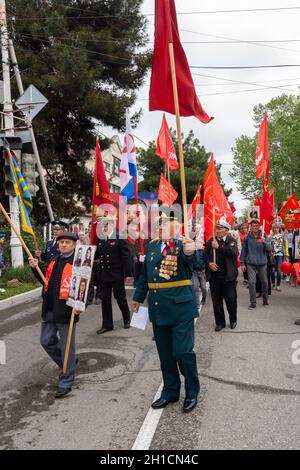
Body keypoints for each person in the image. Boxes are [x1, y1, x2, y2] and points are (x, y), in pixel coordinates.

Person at [132, 206, 200, 414]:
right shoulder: (152, 247)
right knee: (166, 355)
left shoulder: (184, 245)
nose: (160, 228)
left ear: (176, 226)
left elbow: (194, 262)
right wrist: (137, 297)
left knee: (182, 352)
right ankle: (170, 392)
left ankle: (192, 391)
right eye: (158, 224)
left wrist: (191, 252)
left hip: (181, 308)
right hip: (158, 308)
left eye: (164, 224)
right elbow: (145, 276)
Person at [29, 232, 80, 399]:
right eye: (61, 242)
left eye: (67, 242)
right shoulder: (54, 261)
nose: (64, 244)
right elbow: (45, 280)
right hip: (50, 309)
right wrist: (34, 266)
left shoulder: (78, 263)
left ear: (73, 245)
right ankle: (69, 362)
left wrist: (80, 306)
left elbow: (87, 285)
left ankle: (66, 380)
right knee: (46, 341)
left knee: (67, 347)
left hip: (66, 311)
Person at [95, 210, 132, 334]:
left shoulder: (118, 237)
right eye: (101, 225)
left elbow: (126, 256)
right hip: (104, 274)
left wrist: (128, 274)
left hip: (116, 273)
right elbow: (97, 255)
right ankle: (107, 325)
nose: (102, 227)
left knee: (120, 297)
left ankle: (127, 319)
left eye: (105, 224)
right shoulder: (100, 239)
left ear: (111, 225)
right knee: (105, 300)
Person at [205, 218, 238, 331]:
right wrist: (209, 263)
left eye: (220, 228)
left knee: (231, 300)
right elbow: (204, 256)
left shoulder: (231, 240)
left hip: (228, 277)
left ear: (226, 230)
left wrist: (218, 247)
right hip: (215, 276)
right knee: (216, 301)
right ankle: (219, 322)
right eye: (216, 228)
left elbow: (232, 252)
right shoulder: (211, 241)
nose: (217, 230)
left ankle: (233, 319)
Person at [240, 219, 272, 309]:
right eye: (254, 226)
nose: (255, 227)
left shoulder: (264, 235)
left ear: (259, 226)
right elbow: (244, 250)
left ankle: (265, 300)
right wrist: (242, 263)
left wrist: (264, 241)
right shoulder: (247, 237)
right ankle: (253, 303)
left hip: (262, 263)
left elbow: (270, 249)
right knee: (251, 282)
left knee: (265, 282)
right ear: (251, 226)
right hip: (250, 263)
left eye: (257, 226)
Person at [269, 223, 286, 291]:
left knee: (279, 271)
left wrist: (286, 256)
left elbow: (285, 246)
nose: (276, 229)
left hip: (280, 255)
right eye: (274, 228)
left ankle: (278, 285)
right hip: (272, 255)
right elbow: (269, 246)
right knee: (272, 271)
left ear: (279, 229)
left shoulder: (283, 236)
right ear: (273, 229)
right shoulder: (270, 237)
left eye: (277, 228)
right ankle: (273, 283)